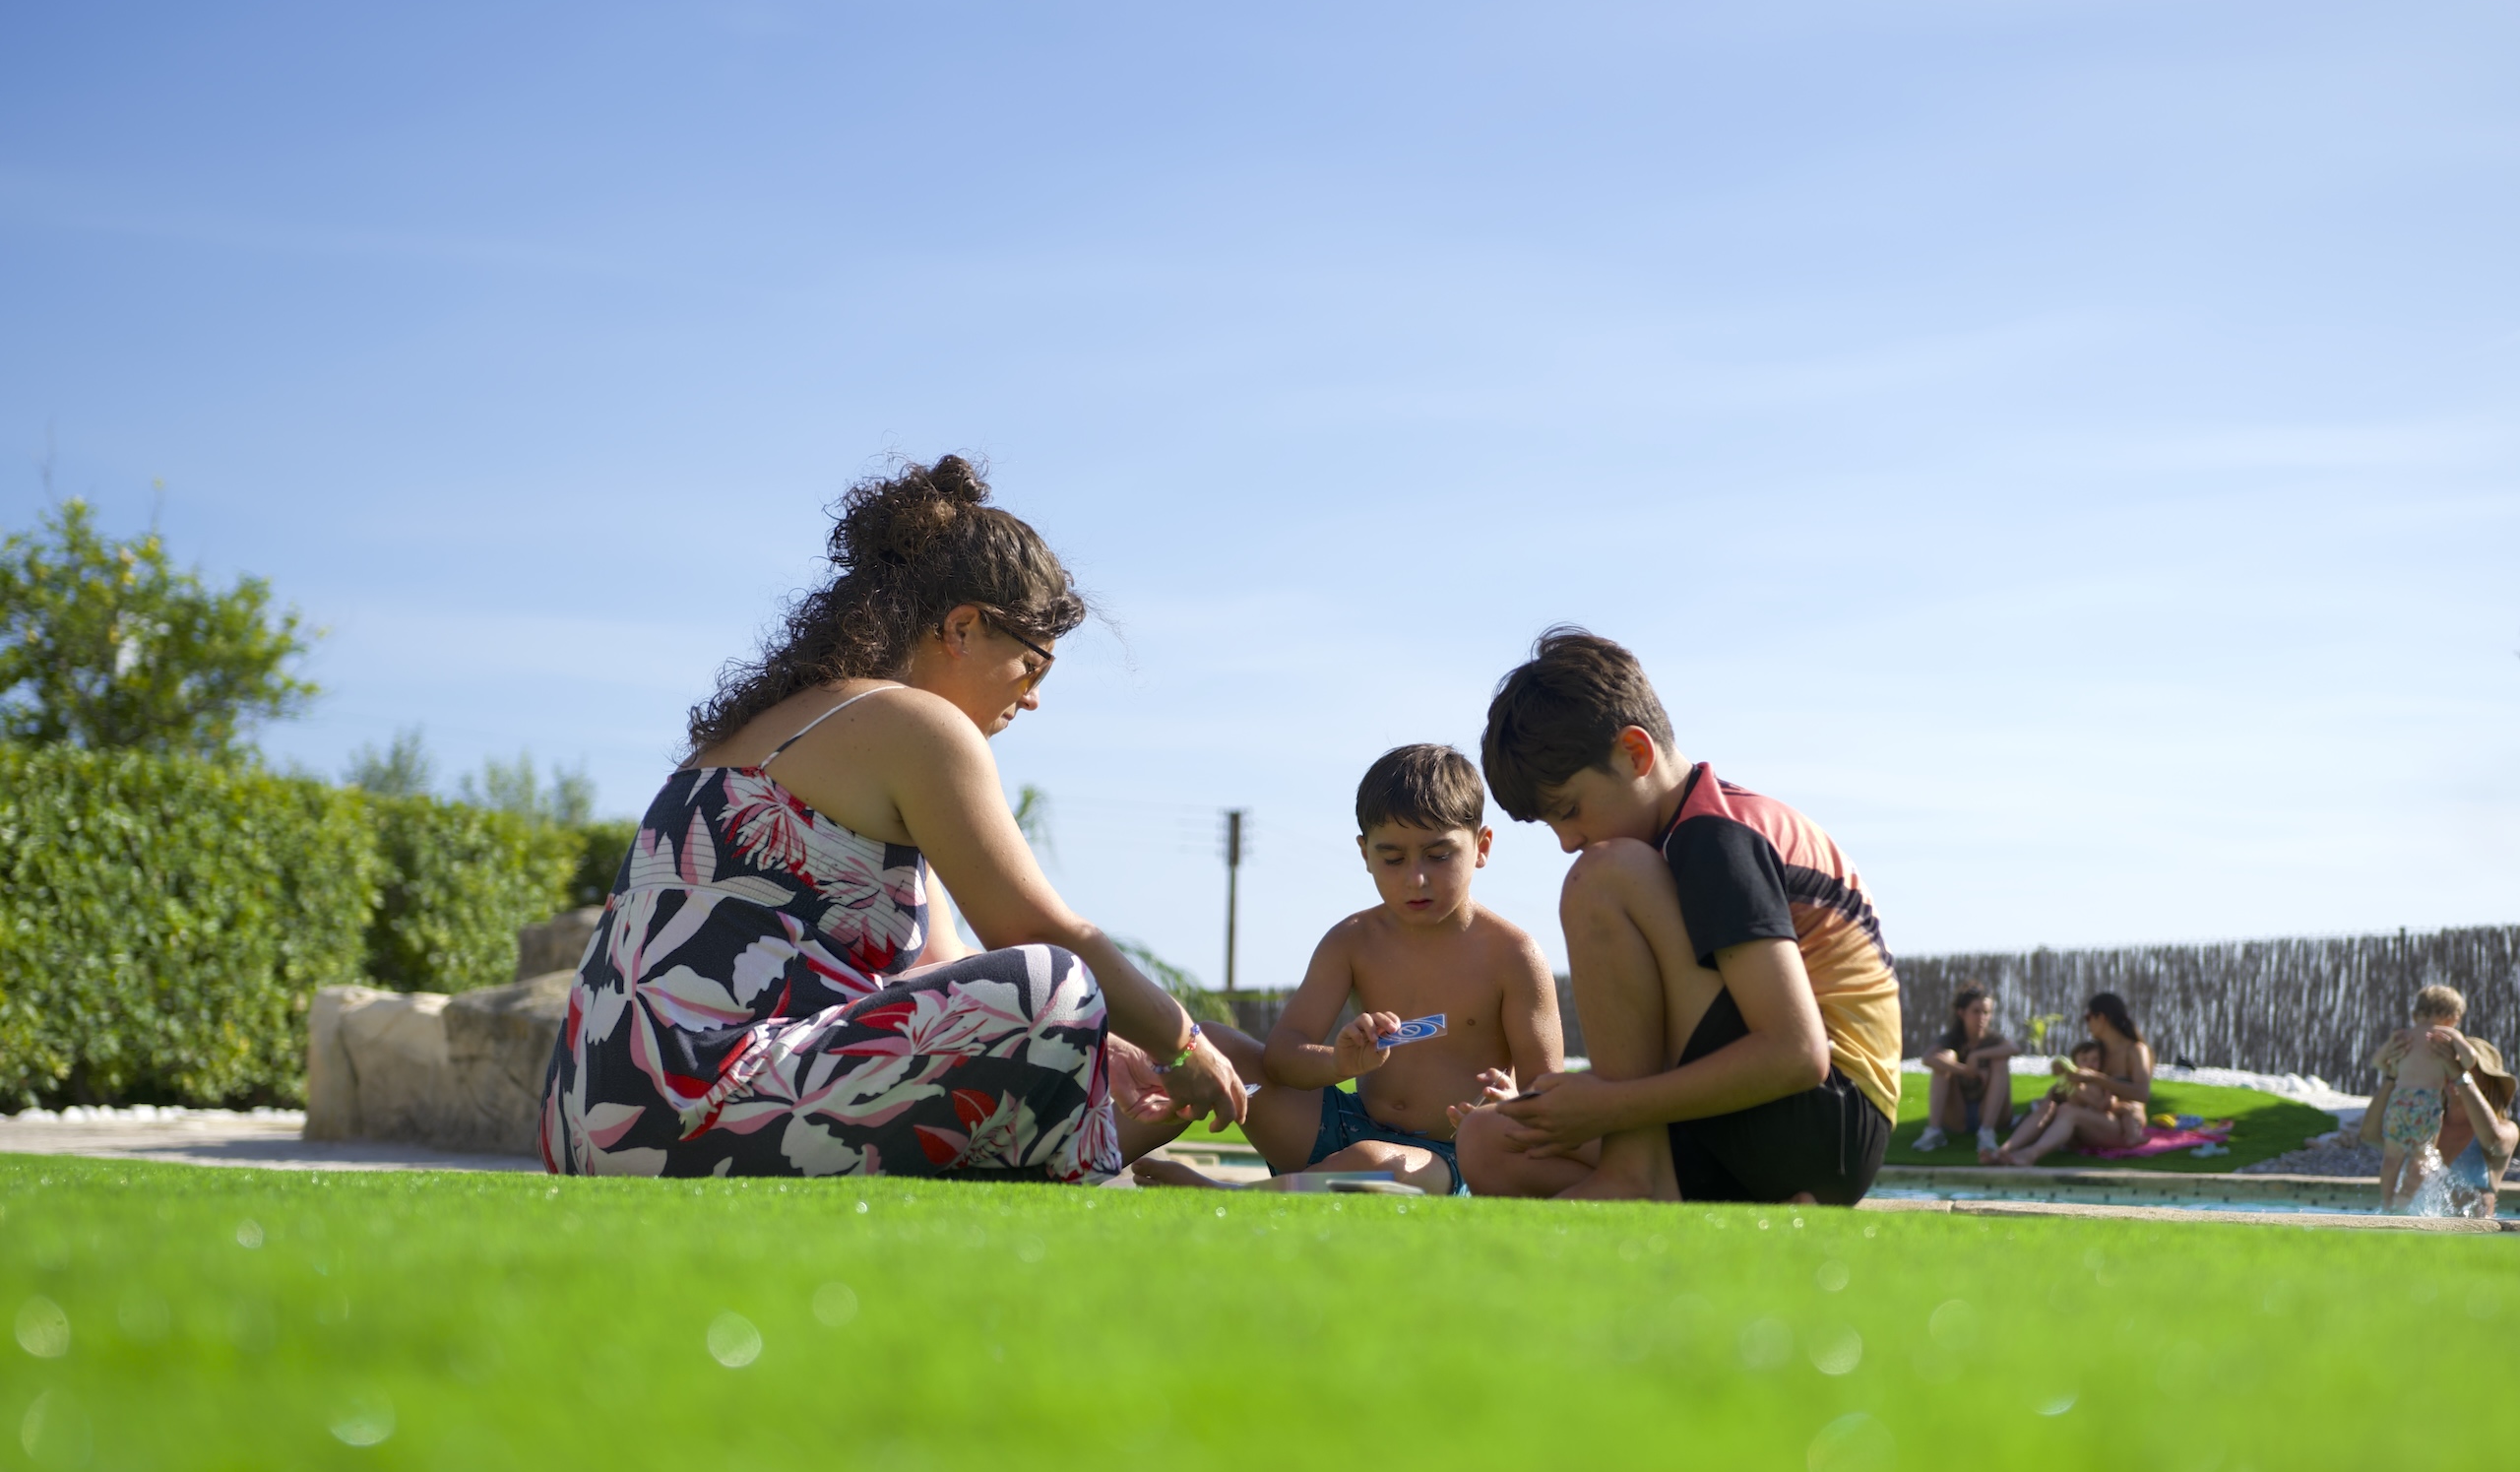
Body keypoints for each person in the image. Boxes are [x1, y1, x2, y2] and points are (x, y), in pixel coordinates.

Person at [539, 455, 1244, 1181]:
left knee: (1058, 1006)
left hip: (587, 1118)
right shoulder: (920, 727)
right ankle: (1116, 1173)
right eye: (1034, 665)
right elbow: (1037, 934)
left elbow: (951, 967)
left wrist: (1105, 1046)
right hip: (689, 1104)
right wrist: (1185, 1043)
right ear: (963, 627)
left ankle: (1121, 1164)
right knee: (1056, 982)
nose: (1032, 698)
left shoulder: (782, 725)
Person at [1455, 629, 1901, 1206]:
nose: (1567, 842)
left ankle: (1635, 1176)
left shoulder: (1713, 837)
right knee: (1491, 1140)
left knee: (1602, 876)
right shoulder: (1682, 841)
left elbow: (1797, 1054)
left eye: (1569, 811)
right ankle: (1692, 1195)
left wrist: (1609, 1104)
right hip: (1761, 1126)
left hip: (1823, 1129)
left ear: (1635, 754)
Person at [1135, 744, 1562, 1195]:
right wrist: (1339, 1061)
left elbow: (1549, 1096)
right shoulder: (1352, 940)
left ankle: (1232, 1196)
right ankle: (1088, 1157)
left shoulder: (1514, 955)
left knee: (1373, 1163)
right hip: (1343, 1126)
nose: (1416, 878)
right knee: (1210, 1044)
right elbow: (1281, 1059)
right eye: (1393, 859)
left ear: (1482, 846)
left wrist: (1506, 1111)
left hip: (1451, 1155)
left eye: (1438, 855)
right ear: (1365, 853)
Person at [2360, 985, 2514, 1213]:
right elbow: (2369, 1135)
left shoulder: (2506, 1128)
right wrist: (2393, 1074)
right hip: (2413, 1234)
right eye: (2442, 1061)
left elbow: (2494, 1140)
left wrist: (2460, 1076)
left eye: (2458, 1062)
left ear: (2486, 1080)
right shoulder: (2425, 1120)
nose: (2450, 1067)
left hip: (2471, 1239)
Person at [1984, 1038, 2145, 1165]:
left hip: (2102, 1127)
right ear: (2075, 1063)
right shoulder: (2070, 1083)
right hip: (2075, 1133)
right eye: (2085, 1059)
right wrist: (2057, 1091)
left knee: (2067, 1110)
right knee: (2048, 1106)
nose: (2090, 1064)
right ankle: (2003, 1151)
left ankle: (2030, 1154)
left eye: (2095, 1060)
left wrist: (2082, 1092)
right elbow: (2051, 1096)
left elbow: (2107, 1106)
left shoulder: (2100, 1082)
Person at [1913, 983, 2018, 1157]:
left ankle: (1987, 1133)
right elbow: (1928, 1058)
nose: (1982, 1018)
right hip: (1958, 1115)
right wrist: (1965, 1070)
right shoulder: (1952, 1038)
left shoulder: (1993, 1039)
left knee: (2000, 1060)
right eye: (1976, 1012)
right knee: (1945, 1058)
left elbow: (2014, 1048)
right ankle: (1934, 1132)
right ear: (1961, 1013)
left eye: (1986, 1012)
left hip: (1992, 1114)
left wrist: (1976, 1056)